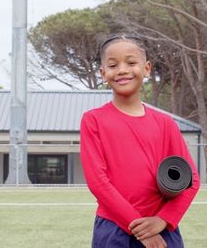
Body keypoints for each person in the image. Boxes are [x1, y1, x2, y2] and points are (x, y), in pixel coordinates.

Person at [80, 34, 200, 248]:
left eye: (131, 62)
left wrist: (163, 220)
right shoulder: (93, 120)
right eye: (113, 65)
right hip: (113, 228)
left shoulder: (165, 124)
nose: (123, 70)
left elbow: (191, 180)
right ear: (103, 73)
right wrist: (139, 228)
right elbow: (98, 182)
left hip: (162, 229)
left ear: (146, 68)